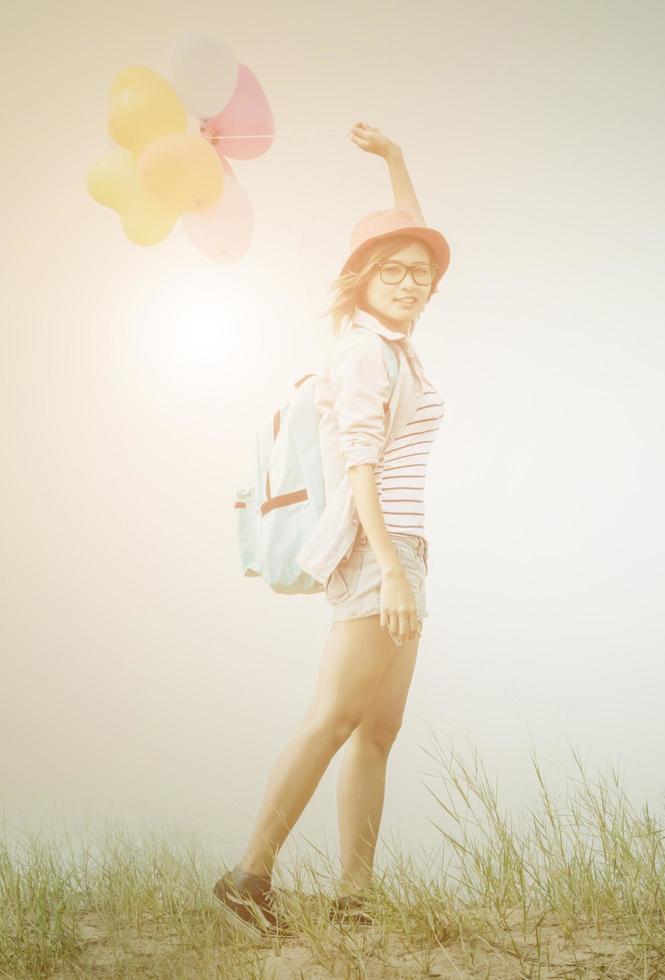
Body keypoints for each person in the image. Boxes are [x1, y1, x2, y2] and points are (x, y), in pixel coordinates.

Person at [212, 122, 451, 938]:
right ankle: (249, 876)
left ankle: (355, 899)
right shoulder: (363, 354)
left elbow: (412, 235)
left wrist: (396, 160)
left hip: (404, 555)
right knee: (333, 718)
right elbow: (361, 468)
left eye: (421, 274)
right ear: (361, 281)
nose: (411, 282)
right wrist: (387, 568)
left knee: (378, 731)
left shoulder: (399, 346)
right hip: (373, 556)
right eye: (393, 272)